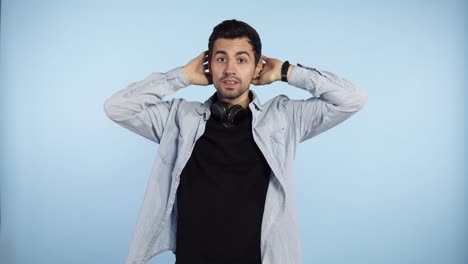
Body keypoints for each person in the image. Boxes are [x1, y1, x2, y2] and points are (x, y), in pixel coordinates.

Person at [104, 19, 367, 264]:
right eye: (221, 59)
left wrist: (288, 71)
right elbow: (117, 107)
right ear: (208, 65)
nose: (229, 69)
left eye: (241, 60)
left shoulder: (285, 118)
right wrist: (181, 76)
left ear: (257, 68)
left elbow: (352, 98)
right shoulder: (179, 118)